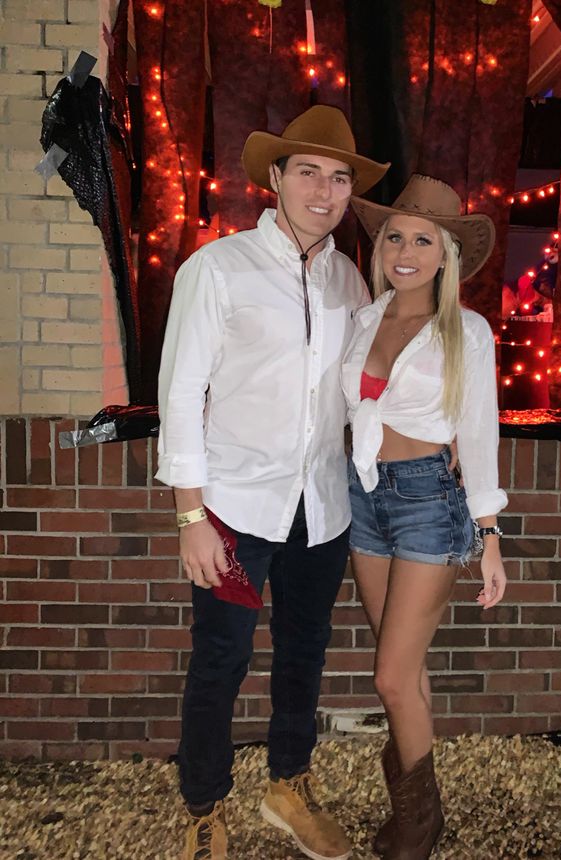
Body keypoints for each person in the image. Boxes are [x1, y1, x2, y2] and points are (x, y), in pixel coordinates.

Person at [155, 105, 389, 860]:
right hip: (231, 511)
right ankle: (203, 802)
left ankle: (288, 783)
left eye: (340, 178)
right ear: (277, 179)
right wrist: (191, 516)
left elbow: (362, 392)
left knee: (303, 652)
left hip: (318, 512)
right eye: (309, 173)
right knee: (221, 658)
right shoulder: (217, 269)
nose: (324, 191)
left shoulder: (350, 280)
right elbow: (180, 393)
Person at [341, 174, 509, 859]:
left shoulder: (464, 331)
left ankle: (418, 819)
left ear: (446, 255)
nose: (405, 250)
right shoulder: (360, 318)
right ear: (379, 245)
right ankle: (414, 806)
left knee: (389, 675)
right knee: (402, 672)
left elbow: (479, 434)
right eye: (394, 236)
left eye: (422, 240)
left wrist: (489, 535)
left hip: (426, 505)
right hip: (362, 498)